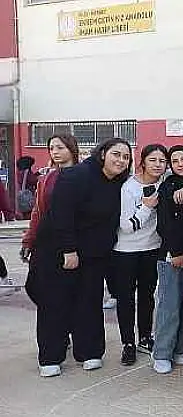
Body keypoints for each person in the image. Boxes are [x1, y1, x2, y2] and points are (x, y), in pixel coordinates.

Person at [33, 138, 132, 377]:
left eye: (126, 157)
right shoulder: (77, 175)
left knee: (89, 302)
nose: (121, 160)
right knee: (56, 303)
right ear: (103, 154)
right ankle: (50, 357)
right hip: (58, 250)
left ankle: (90, 352)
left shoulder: (118, 182)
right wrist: (69, 250)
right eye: (116, 154)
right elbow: (61, 214)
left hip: (94, 254)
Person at [112, 144, 168, 366]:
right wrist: (146, 207)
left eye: (162, 161)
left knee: (147, 296)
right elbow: (126, 226)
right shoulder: (129, 187)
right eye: (153, 160)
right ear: (143, 161)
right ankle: (128, 343)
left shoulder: (164, 183)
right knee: (126, 299)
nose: (158, 165)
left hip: (152, 249)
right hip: (125, 251)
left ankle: (145, 337)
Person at [152, 145, 183, 374]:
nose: (180, 164)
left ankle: (180, 349)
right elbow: (164, 224)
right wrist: (177, 252)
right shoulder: (167, 187)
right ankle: (161, 353)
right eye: (175, 160)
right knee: (169, 306)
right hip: (172, 256)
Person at [22, 134, 80, 301]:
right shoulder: (47, 178)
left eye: (60, 148)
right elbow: (37, 212)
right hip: (47, 240)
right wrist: (29, 240)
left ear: (72, 149)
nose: (55, 152)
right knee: (38, 287)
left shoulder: (83, 176)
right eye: (51, 148)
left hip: (75, 241)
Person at [16, 156, 39, 220]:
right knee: (30, 212)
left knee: (25, 212)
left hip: (23, 194)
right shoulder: (27, 172)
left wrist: (37, 174)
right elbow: (33, 180)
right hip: (29, 194)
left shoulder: (19, 172)